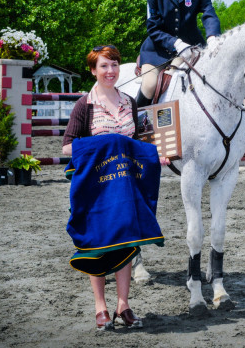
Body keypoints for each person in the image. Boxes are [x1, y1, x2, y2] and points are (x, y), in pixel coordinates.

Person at [63, 45, 169, 330]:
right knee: (96, 246)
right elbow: (67, 147)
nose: (110, 71)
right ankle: (101, 308)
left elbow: (137, 144)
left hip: (125, 187)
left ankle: (124, 305)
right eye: (104, 66)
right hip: (95, 190)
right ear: (93, 70)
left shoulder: (130, 102)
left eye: (114, 65)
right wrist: (108, 143)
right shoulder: (84, 105)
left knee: (127, 243)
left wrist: (155, 155)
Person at [135, 0, 221, 107]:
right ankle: (136, 122)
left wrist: (213, 37)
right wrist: (176, 43)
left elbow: (208, 12)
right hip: (156, 50)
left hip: (190, 48)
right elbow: (153, 26)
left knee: (197, 78)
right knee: (150, 84)